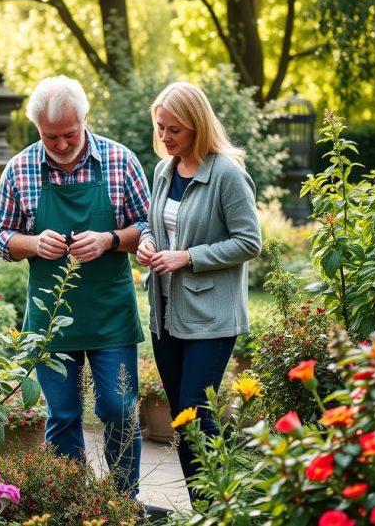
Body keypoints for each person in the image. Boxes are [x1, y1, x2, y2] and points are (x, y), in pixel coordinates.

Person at [0, 75, 150, 496]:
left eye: (69, 134)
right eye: (49, 136)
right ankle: (70, 503)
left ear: (85, 119)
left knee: (119, 409)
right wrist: (33, 243)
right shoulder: (20, 169)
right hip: (49, 317)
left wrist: (110, 239)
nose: (60, 144)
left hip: (110, 314)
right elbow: (0, 236)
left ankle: (123, 502)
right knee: (62, 414)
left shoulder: (120, 161)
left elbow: (149, 227)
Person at [136, 81, 261, 498]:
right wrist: (149, 243)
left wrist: (187, 256)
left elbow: (249, 242)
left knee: (195, 414)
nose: (165, 137)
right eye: (160, 128)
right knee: (182, 418)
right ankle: (207, 508)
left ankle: (219, 508)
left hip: (210, 318)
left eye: (175, 129)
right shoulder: (162, 171)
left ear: (198, 126)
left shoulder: (226, 174)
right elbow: (156, 224)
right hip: (165, 313)